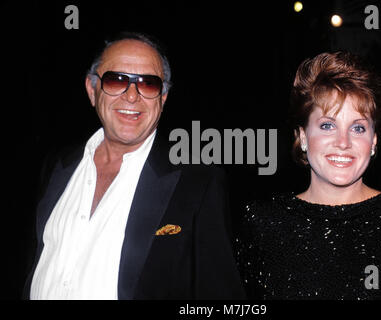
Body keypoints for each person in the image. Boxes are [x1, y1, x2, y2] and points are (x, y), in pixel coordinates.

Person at [23, 32, 245, 300]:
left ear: (162, 99)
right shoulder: (57, 166)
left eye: (148, 84)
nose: (131, 96)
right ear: (92, 90)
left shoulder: (198, 184)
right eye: (117, 80)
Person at [235, 51, 381, 299]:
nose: (343, 142)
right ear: (302, 136)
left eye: (358, 128)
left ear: (374, 141)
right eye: (327, 125)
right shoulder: (261, 224)